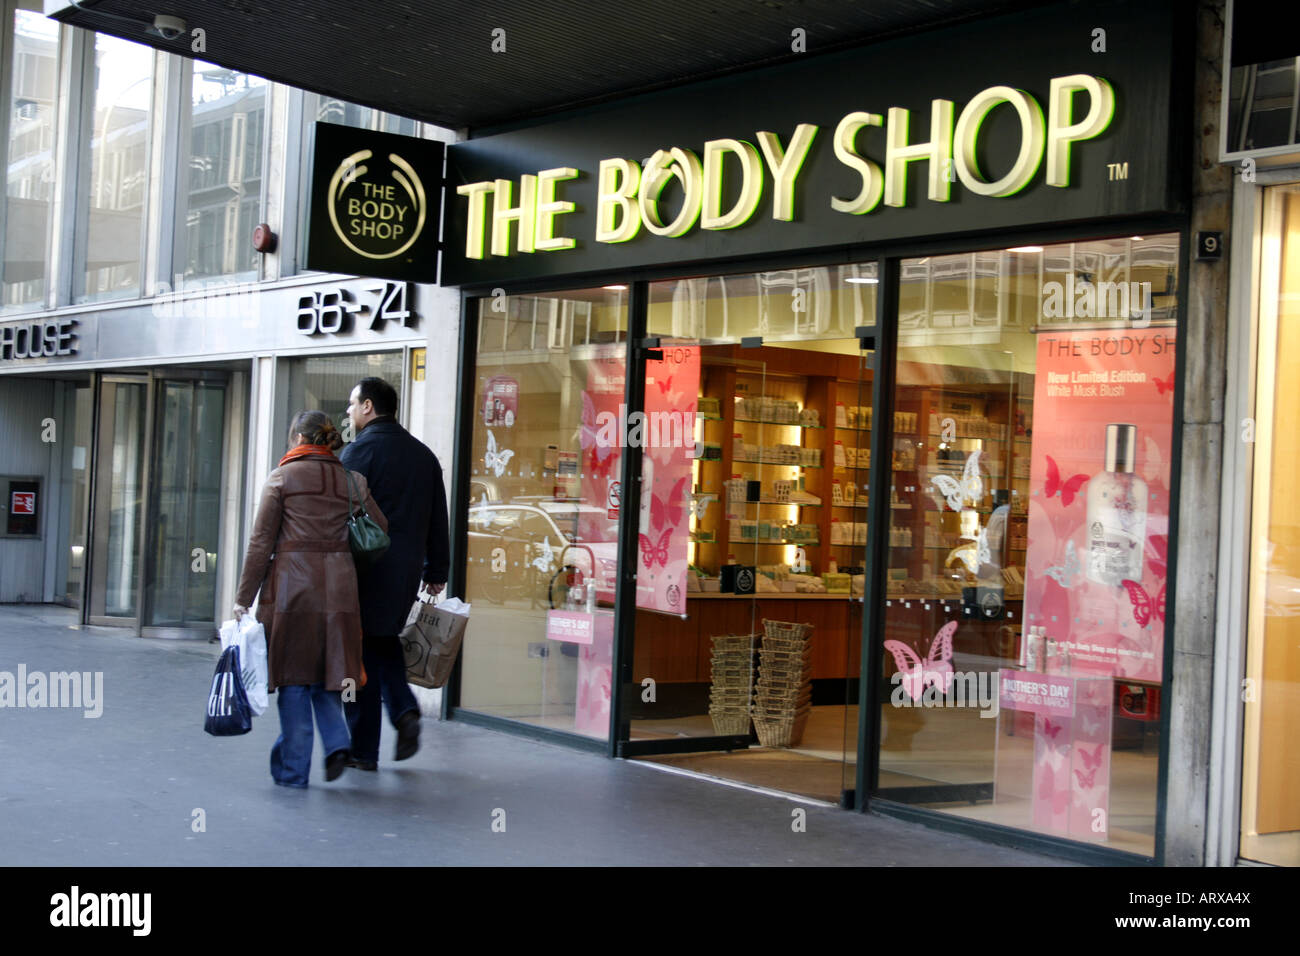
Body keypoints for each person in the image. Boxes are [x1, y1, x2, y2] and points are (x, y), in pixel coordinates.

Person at [233, 411, 388, 788]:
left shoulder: (282, 478)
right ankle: (336, 742)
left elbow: (260, 543)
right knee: (328, 672)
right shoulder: (352, 481)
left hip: (293, 589)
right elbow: (380, 529)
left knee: (294, 678)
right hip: (340, 587)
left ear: (298, 437)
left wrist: (243, 598)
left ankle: (293, 770)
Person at [340, 377, 450, 770]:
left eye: (353, 405)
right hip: (404, 574)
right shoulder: (423, 456)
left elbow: (336, 513)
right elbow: (439, 516)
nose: (349, 412)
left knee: (361, 654)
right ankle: (397, 717)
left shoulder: (357, 453)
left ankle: (369, 743)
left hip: (363, 569)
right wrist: (436, 569)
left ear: (368, 406)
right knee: (381, 642)